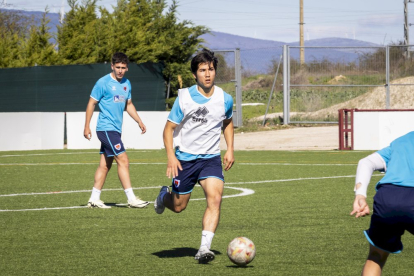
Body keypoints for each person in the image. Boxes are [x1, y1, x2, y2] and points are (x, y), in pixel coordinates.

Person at [154, 49, 235, 263]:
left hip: (210, 159)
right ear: (194, 75)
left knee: (215, 199)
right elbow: (168, 129)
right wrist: (171, 156)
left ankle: (204, 249)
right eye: (202, 70)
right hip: (185, 159)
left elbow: (227, 123)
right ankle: (163, 196)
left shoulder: (225, 99)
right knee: (179, 206)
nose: (207, 74)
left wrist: (230, 149)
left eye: (210, 69)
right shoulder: (185, 99)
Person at [84, 52, 149, 209]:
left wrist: (139, 120)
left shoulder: (127, 83)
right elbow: (91, 103)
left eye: (123, 67)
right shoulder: (103, 83)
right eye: (117, 67)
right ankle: (131, 199)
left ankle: (94, 198)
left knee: (105, 165)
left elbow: (129, 104)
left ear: (127, 68)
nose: (120, 70)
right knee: (123, 160)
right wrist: (87, 126)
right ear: (112, 66)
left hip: (115, 130)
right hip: (106, 129)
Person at [350, 131, 414, 275]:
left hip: (387, 198)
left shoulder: (402, 140)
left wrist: (360, 195)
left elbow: (366, 162)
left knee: (377, 255)